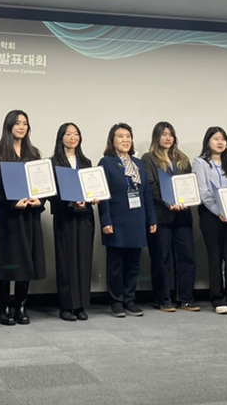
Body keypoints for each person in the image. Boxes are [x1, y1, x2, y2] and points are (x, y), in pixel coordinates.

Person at [0, 110, 46, 326]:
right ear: (9, 126)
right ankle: (4, 307)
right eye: (17, 123)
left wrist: (40, 200)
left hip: (29, 215)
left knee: (26, 259)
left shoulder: (34, 153)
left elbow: (42, 184)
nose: (22, 127)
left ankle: (20, 306)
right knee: (5, 261)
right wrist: (12, 203)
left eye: (25, 123)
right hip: (7, 215)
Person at [98, 123, 157, 318]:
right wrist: (105, 220)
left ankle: (129, 300)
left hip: (137, 218)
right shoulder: (106, 162)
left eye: (128, 136)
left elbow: (146, 194)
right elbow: (103, 195)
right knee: (116, 264)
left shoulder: (138, 164)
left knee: (133, 263)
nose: (125, 140)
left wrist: (152, 219)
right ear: (112, 140)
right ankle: (116, 301)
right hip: (116, 219)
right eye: (120, 136)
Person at [141, 122, 199, 312]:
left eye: (170, 134)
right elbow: (150, 185)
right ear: (156, 137)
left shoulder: (183, 159)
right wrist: (167, 201)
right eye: (164, 134)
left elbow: (189, 185)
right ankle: (163, 299)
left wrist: (187, 200)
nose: (168, 138)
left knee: (187, 257)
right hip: (161, 215)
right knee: (161, 258)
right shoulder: (148, 158)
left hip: (183, 215)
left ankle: (186, 298)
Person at [192, 127, 227, 315]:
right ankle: (218, 298)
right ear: (207, 141)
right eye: (216, 138)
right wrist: (219, 212)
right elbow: (203, 192)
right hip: (211, 215)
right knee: (215, 256)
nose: (220, 142)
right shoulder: (200, 162)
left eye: (223, 139)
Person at [50, 122, 96, 321]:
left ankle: (81, 306)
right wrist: (69, 201)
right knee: (66, 261)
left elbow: (93, 187)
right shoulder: (53, 163)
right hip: (65, 216)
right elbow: (50, 192)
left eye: (76, 134)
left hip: (85, 216)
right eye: (68, 134)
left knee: (83, 260)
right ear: (61, 138)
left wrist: (94, 197)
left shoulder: (86, 162)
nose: (72, 137)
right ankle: (67, 306)